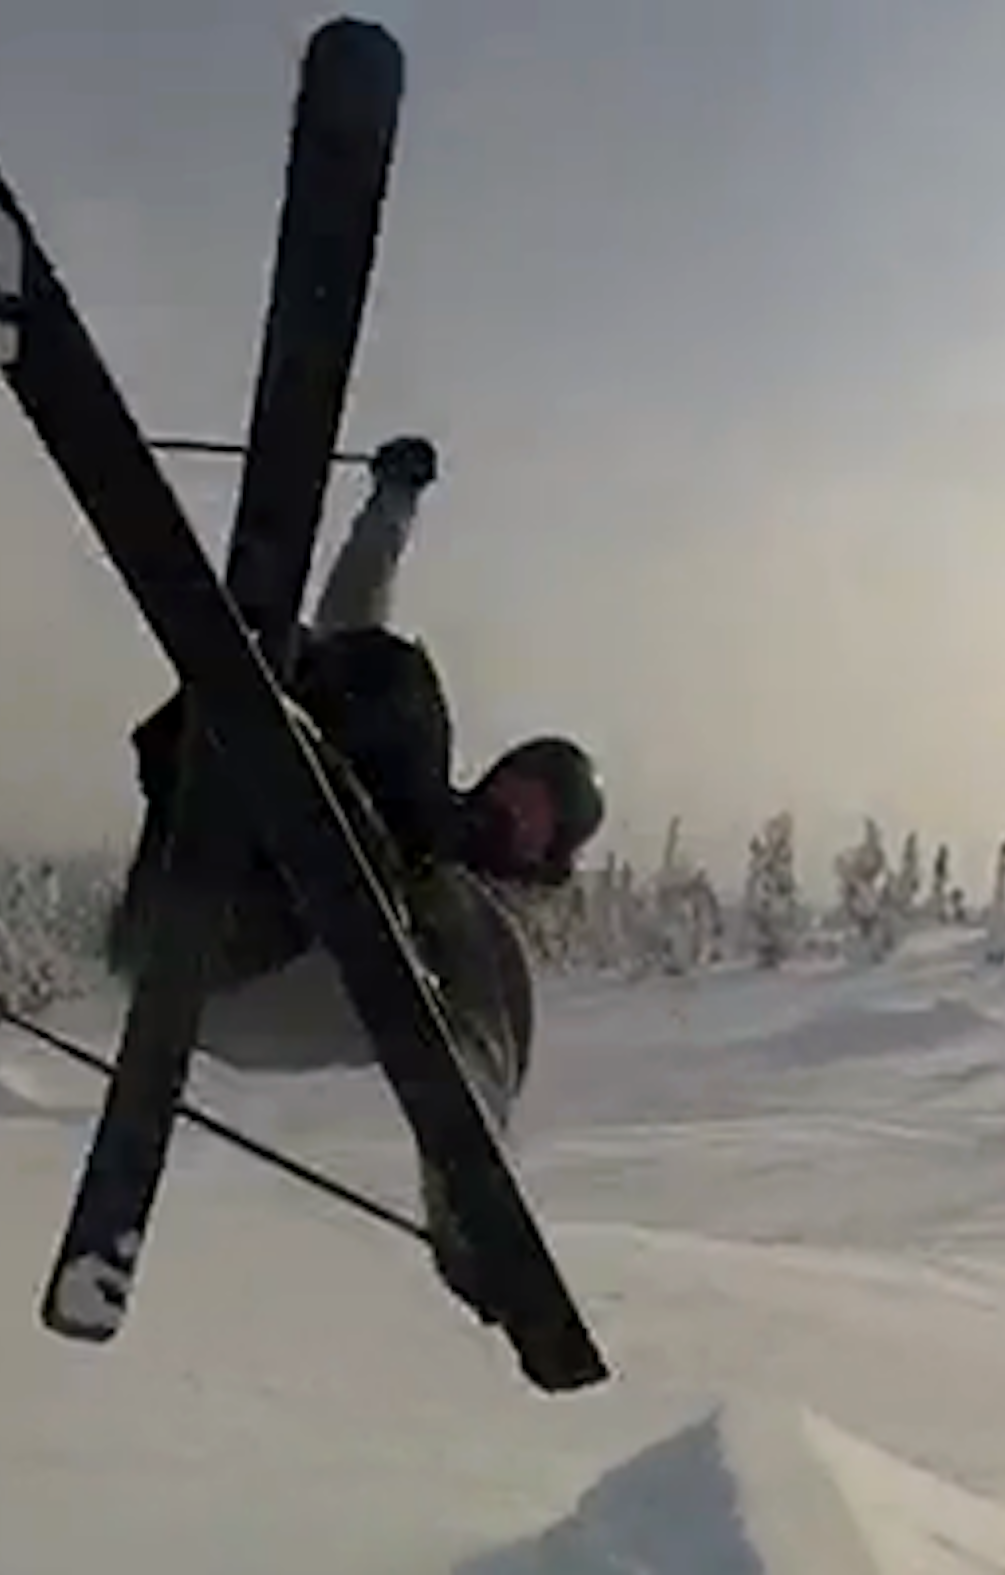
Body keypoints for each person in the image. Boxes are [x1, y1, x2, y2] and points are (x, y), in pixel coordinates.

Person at [104, 435, 605, 1321]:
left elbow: (491, 1026)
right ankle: (246, 701)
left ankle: (466, 1172)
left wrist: (472, 1160)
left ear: (547, 856)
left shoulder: (474, 923)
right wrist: (390, 505)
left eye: (542, 816)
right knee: (367, 678)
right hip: (182, 909)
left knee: (405, 726)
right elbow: (356, 623)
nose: (519, 806)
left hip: (252, 984)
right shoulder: (415, 803)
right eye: (524, 784)